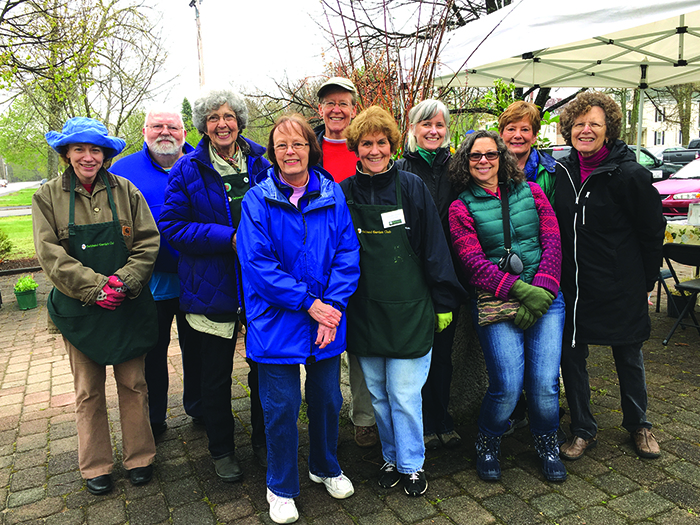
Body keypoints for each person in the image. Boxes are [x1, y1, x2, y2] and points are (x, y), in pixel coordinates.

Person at [238, 114, 360, 524]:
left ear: (312, 148)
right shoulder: (257, 200)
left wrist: (334, 307)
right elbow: (258, 264)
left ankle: (324, 465)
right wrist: (309, 304)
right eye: (282, 145)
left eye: (299, 144)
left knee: (327, 398)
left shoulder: (333, 194)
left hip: (327, 317)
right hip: (277, 320)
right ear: (273, 153)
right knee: (282, 406)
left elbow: (347, 252)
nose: (290, 152)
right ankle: (280, 485)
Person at [341, 106, 464, 497]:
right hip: (365, 311)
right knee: (377, 394)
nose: (374, 150)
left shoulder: (412, 188)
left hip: (411, 308)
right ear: (355, 148)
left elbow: (433, 246)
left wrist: (443, 300)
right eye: (366, 143)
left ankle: (413, 464)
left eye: (381, 142)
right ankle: (391, 457)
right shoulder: (344, 192)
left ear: (393, 145)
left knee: (406, 394)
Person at [33, 117, 160, 495]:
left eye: (95, 150)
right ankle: (95, 466)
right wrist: (96, 288)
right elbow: (50, 255)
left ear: (105, 154)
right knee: (88, 390)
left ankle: (140, 458)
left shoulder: (126, 190)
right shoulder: (47, 196)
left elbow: (148, 242)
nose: (88, 157)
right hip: (80, 310)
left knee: (134, 384)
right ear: (66, 153)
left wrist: (124, 282)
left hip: (127, 304)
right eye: (79, 149)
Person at [159, 89, 271, 482]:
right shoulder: (187, 170)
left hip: (261, 286)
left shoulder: (263, 163)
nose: (221, 124)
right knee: (215, 375)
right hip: (211, 286)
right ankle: (222, 449)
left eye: (228, 116)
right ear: (203, 126)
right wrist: (229, 237)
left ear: (239, 121)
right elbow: (172, 227)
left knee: (265, 371)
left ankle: (264, 442)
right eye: (213, 118)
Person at [449, 130, 567, 483]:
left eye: (490, 154)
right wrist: (519, 291)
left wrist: (542, 289)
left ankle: (547, 443)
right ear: (466, 164)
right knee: (507, 384)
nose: (483, 161)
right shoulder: (460, 207)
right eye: (475, 156)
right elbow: (472, 263)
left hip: (545, 296)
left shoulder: (533, 192)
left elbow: (552, 241)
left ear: (502, 158)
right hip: (497, 301)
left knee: (545, 383)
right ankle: (488, 441)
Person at [554, 91, 665, 461]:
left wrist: (645, 282)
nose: (586, 130)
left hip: (620, 284)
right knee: (572, 357)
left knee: (628, 353)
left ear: (609, 130)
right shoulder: (562, 172)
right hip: (574, 285)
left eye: (594, 124)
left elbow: (652, 232)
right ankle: (583, 428)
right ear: (569, 129)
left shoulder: (630, 174)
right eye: (579, 124)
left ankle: (639, 424)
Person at [110, 107, 201, 438]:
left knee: (199, 350)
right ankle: (155, 417)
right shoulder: (124, 170)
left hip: (198, 278)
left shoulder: (202, 162)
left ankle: (200, 406)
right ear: (145, 131)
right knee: (152, 353)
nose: (165, 132)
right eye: (157, 126)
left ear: (185, 133)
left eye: (173, 127)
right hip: (150, 282)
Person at [314, 76, 378, 448]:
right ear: (320, 110)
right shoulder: (310, 148)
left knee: (360, 340)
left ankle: (364, 417)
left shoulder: (365, 148)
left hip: (358, 258)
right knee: (320, 336)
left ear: (353, 108)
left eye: (343, 103)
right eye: (329, 103)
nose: (336, 110)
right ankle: (322, 415)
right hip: (314, 263)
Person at [395, 99, 462, 451]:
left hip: (450, 275)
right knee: (416, 355)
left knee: (444, 353)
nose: (433, 131)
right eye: (425, 124)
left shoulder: (457, 170)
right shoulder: (400, 170)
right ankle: (418, 422)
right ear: (413, 130)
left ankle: (442, 418)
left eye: (439, 125)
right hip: (412, 277)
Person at [498, 101, 561, 438]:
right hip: (504, 281)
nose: (518, 135)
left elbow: (553, 230)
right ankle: (517, 412)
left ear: (535, 135)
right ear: (501, 133)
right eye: (511, 129)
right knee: (508, 371)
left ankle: (545, 425)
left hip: (544, 274)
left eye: (525, 129)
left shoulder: (548, 174)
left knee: (544, 371)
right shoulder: (488, 170)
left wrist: (546, 282)